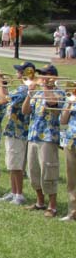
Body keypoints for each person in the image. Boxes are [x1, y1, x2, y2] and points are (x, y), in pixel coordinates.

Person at [22, 64, 65, 217]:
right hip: (33, 136)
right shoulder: (37, 93)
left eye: (46, 75)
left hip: (48, 138)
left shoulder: (59, 92)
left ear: (53, 77)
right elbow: (25, 111)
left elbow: (53, 104)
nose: (42, 78)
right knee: (33, 171)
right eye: (42, 75)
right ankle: (40, 201)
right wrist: (30, 93)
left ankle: (52, 206)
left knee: (49, 171)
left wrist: (44, 87)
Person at [0, 62, 34, 205]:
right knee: (11, 164)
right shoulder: (21, 87)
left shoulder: (25, 89)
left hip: (18, 131)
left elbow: (4, 99)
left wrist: (0, 84)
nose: (17, 74)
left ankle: (19, 194)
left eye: (19, 72)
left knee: (16, 165)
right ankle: (13, 192)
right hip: (12, 129)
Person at [59, 92, 76, 221]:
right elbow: (63, 121)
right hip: (71, 141)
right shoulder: (71, 98)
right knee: (71, 180)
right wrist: (70, 102)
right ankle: (72, 212)